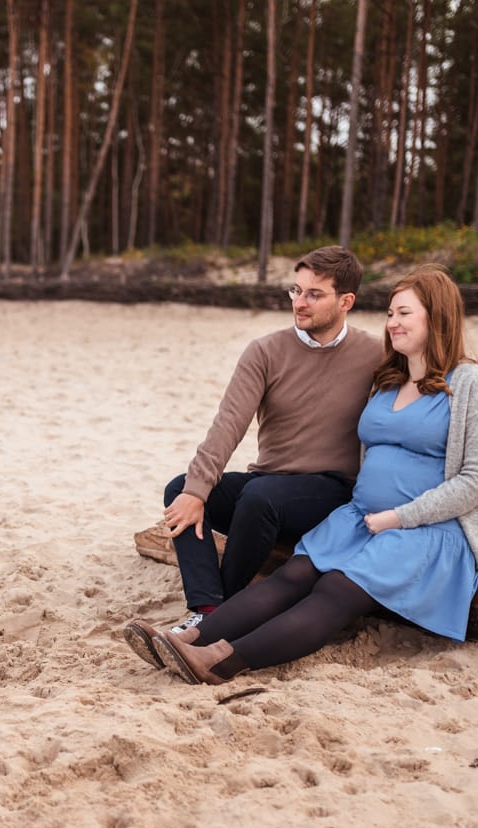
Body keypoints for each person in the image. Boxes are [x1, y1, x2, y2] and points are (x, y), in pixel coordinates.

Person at [125, 264, 478, 685]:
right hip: (360, 518)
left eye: (404, 314)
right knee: (294, 575)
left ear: (438, 316)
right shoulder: (387, 380)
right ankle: (192, 636)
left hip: (425, 530)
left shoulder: (469, 381)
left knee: (334, 589)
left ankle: (220, 661)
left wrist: (399, 517)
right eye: (390, 313)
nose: (392, 323)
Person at [155, 245, 380, 636]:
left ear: (346, 301)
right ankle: (208, 607)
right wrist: (196, 490)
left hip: (330, 490)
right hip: (269, 482)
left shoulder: (375, 355)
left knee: (261, 499)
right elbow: (228, 423)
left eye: (314, 294)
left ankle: (217, 622)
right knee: (181, 488)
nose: (300, 302)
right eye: (296, 291)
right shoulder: (265, 351)